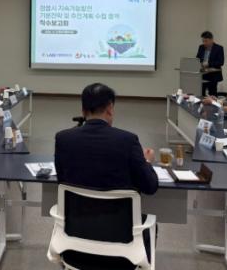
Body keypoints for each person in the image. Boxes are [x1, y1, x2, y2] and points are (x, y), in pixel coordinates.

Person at [55, 83, 158, 263]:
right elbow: (150, 186)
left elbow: (62, 179)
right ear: (110, 108)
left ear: (83, 110)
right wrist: (146, 162)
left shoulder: (63, 139)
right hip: (122, 246)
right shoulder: (128, 141)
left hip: (74, 241)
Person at [196, 31, 225, 96]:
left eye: (206, 41)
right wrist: (200, 63)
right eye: (203, 41)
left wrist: (208, 64)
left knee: (212, 94)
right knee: (201, 93)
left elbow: (221, 62)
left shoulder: (219, 48)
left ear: (211, 39)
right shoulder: (201, 47)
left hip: (213, 75)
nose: (204, 43)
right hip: (203, 74)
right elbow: (197, 58)